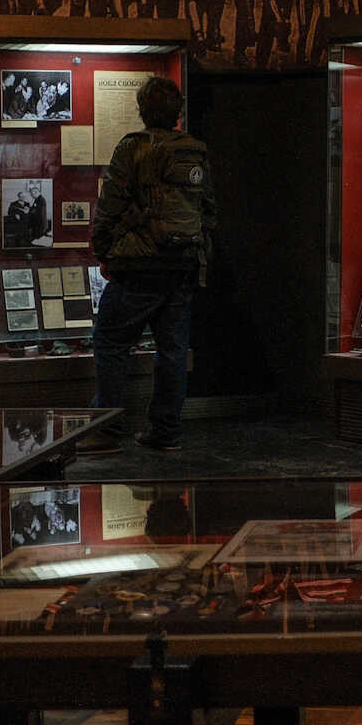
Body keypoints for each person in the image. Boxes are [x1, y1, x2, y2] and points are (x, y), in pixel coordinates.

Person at [80, 77, 216, 454]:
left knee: (110, 341)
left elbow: (111, 204)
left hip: (139, 265)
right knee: (172, 350)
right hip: (183, 265)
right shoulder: (195, 151)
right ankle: (166, 430)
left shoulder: (133, 149)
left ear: (142, 110)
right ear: (178, 112)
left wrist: (104, 252)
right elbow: (208, 211)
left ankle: (107, 429)